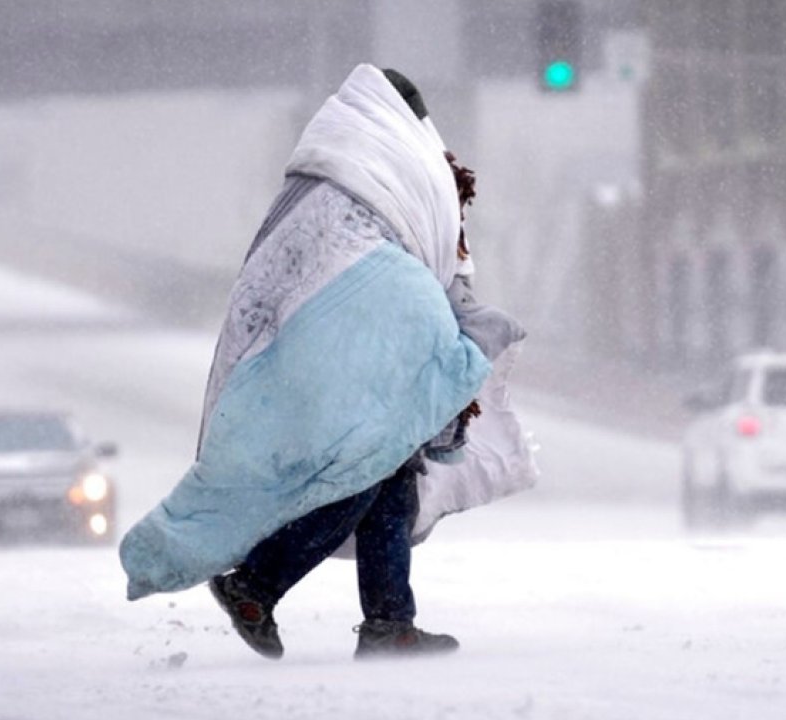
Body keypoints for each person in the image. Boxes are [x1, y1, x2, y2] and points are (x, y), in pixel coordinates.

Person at [119, 64, 532, 660]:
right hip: (348, 346)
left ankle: (389, 621)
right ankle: (256, 584)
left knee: (389, 471)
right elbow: (415, 262)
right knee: (366, 467)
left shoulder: (327, 175)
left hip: (315, 345)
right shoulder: (396, 170)